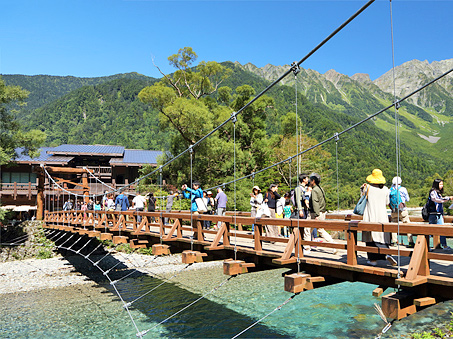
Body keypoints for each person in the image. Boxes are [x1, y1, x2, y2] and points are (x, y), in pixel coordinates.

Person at [361, 169, 396, 266]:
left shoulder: (367, 188)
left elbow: (362, 198)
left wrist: (362, 188)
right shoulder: (385, 189)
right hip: (382, 215)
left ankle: (373, 260)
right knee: (382, 236)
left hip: (370, 214)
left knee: (371, 237)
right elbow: (386, 202)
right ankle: (387, 253)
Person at [308, 173, 337, 255]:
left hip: (316, 213)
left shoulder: (314, 190)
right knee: (320, 230)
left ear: (313, 181)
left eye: (310, 180)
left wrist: (316, 215)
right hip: (322, 211)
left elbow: (315, 202)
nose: (309, 181)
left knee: (307, 229)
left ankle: (306, 248)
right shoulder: (320, 189)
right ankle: (333, 245)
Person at [428, 178, 453, 250]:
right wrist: (448, 199)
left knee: (442, 230)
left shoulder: (438, 192)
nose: (442, 185)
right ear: (436, 184)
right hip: (433, 214)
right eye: (440, 184)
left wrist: (447, 198)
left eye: (442, 184)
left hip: (438, 214)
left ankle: (444, 245)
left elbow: (440, 199)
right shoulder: (433, 192)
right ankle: (426, 245)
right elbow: (437, 200)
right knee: (430, 231)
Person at [390, 176, 413, 247]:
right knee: (407, 225)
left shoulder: (390, 190)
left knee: (394, 226)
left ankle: (394, 242)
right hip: (402, 210)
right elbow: (408, 199)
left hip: (394, 211)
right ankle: (410, 242)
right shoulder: (403, 189)